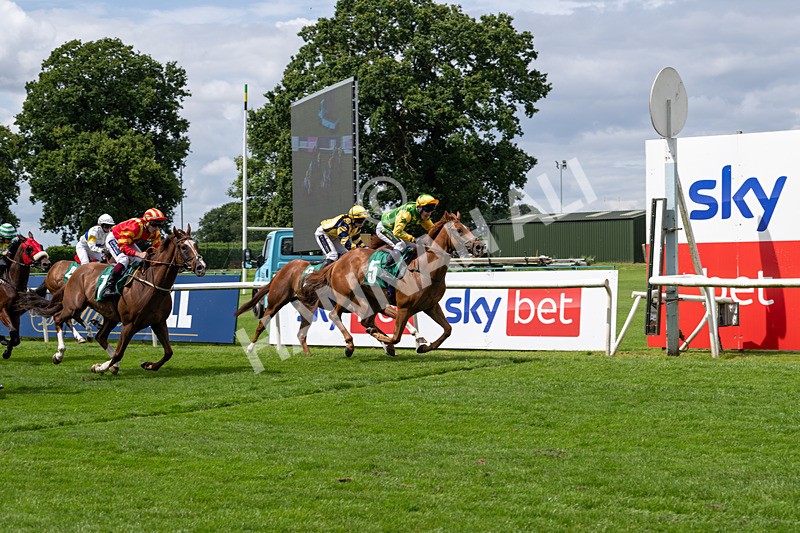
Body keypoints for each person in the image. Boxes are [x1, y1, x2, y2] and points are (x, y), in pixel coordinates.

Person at [102, 208, 167, 298]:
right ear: (147, 222)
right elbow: (123, 247)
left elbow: (156, 250)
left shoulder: (156, 233)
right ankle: (108, 288)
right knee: (123, 259)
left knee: (141, 260)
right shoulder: (134, 227)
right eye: (154, 225)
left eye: (159, 225)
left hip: (129, 241)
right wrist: (139, 253)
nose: (157, 228)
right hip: (115, 238)